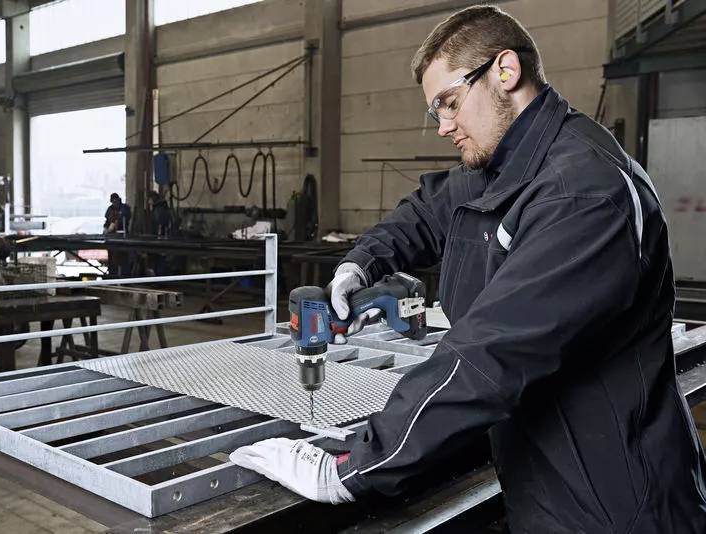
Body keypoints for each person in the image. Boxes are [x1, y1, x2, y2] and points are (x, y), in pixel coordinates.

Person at [230, 6, 706, 532]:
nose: (443, 126)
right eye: (435, 112)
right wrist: (358, 265)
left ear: (506, 71)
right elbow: (426, 211)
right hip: (546, 479)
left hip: (616, 503)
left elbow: (489, 354)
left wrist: (352, 468)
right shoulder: (506, 164)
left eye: (449, 103)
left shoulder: (585, 193)